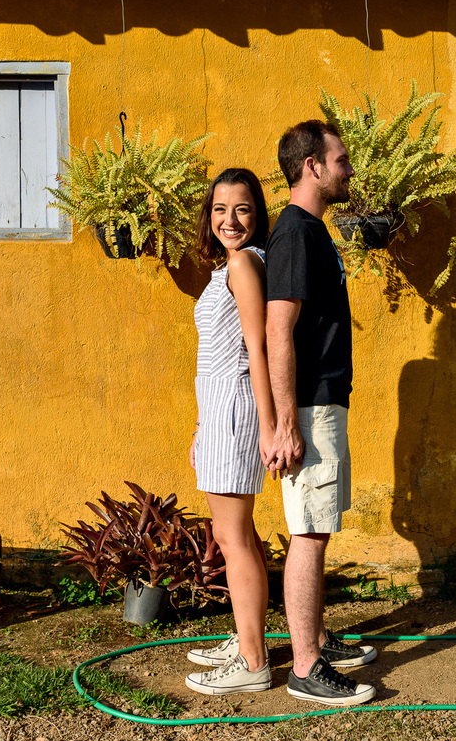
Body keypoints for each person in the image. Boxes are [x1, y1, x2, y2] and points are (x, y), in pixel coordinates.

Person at [265, 120, 377, 707]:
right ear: (312, 166)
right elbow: (278, 330)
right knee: (307, 533)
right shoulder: (295, 235)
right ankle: (305, 667)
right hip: (308, 408)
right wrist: (285, 423)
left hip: (323, 402)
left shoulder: (311, 232)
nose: (348, 169)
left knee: (319, 527)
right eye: (341, 159)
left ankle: (317, 640)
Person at [183, 168, 275, 696]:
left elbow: (256, 350)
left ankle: (253, 660)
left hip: (236, 410)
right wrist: (201, 424)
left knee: (233, 538)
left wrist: (266, 424)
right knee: (235, 535)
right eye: (220, 209)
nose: (229, 219)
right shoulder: (231, 266)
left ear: (257, 214)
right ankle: (247, 639)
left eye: (241, 209)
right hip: (219, 412)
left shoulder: (244, 264)